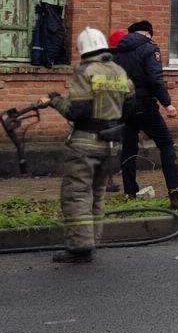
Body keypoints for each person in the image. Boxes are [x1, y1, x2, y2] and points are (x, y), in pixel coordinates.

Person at [40, 27, 136, 264]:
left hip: (85, 143)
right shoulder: (119, 71)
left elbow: (77, 112)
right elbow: (131, 107)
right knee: (97, 193)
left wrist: (55, 101)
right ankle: (93, 240)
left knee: (77, 193)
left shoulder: (86, 71)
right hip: (112, 144)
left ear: (82, 50)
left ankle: (80, 248)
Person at [113, 20, 178, 208]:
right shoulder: (149, 48)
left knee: (129, 148)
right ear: (147, 34)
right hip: (145, 105)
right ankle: (175, 190)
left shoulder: (117, 52)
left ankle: (130, 192)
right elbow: (155, 79)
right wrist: (167, 104)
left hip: (124, 106)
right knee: (166, 144)